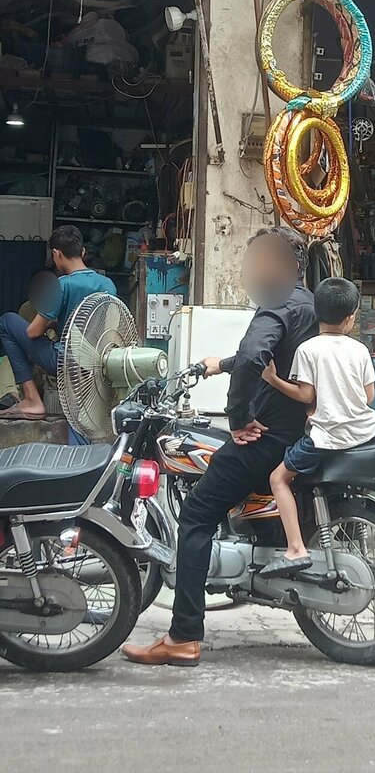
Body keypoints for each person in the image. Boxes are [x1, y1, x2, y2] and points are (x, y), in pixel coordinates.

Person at [122, 226, 317, 668]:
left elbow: (254, 357)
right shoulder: (307, 302)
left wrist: (238, 418)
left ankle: (183, 635)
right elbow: (272, 358)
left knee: (196, 514)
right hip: (297, 433)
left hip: (265, 436)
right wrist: (220, 365)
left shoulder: (277, 303)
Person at [259, 277, 375, 576]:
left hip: (326, 438)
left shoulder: (308, 349)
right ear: (351, 317)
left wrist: (273, 379)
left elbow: (306, 395)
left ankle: (296, 548)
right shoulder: (360, 350)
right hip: (366, 435)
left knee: (278, 479)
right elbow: (369, 397)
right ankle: (363, 549)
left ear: (317, 313)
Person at [0, 227, 115, 424]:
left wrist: (47, 325)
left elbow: (33, 332)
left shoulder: (62, 285)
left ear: (56, 253)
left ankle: (32, 400)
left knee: (7, 321)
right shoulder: (108, 285)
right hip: (95, 364)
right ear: (83, 252)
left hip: (64, 362)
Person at [0, 268, 58, 411]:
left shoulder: (60, 306)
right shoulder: (27, 309)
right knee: (7, 359)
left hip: (54, 371)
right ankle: (10, 396)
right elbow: (18, 345)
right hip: (30, 370)